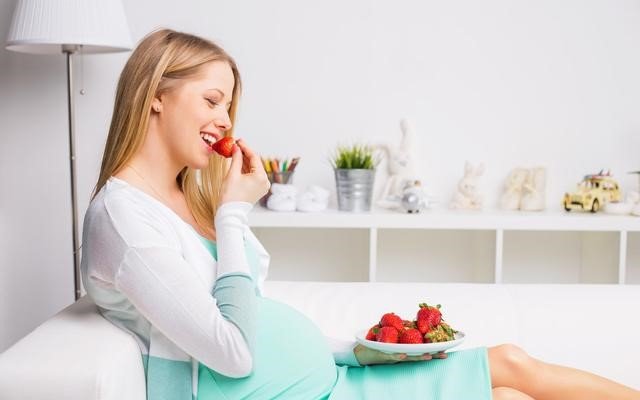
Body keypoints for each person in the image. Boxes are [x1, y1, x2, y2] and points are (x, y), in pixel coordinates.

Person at [81, 28, 640, 400]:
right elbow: (233, 351)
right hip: (292, 395)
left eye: (229, 104)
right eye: (211, 100)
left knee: (511, 373)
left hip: (330, 377)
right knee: (510, 381)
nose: (226, 119)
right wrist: (233, 214)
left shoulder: (184, 201)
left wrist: (364, 352)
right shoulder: (123, 218)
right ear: (155, 95)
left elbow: (252, 313)